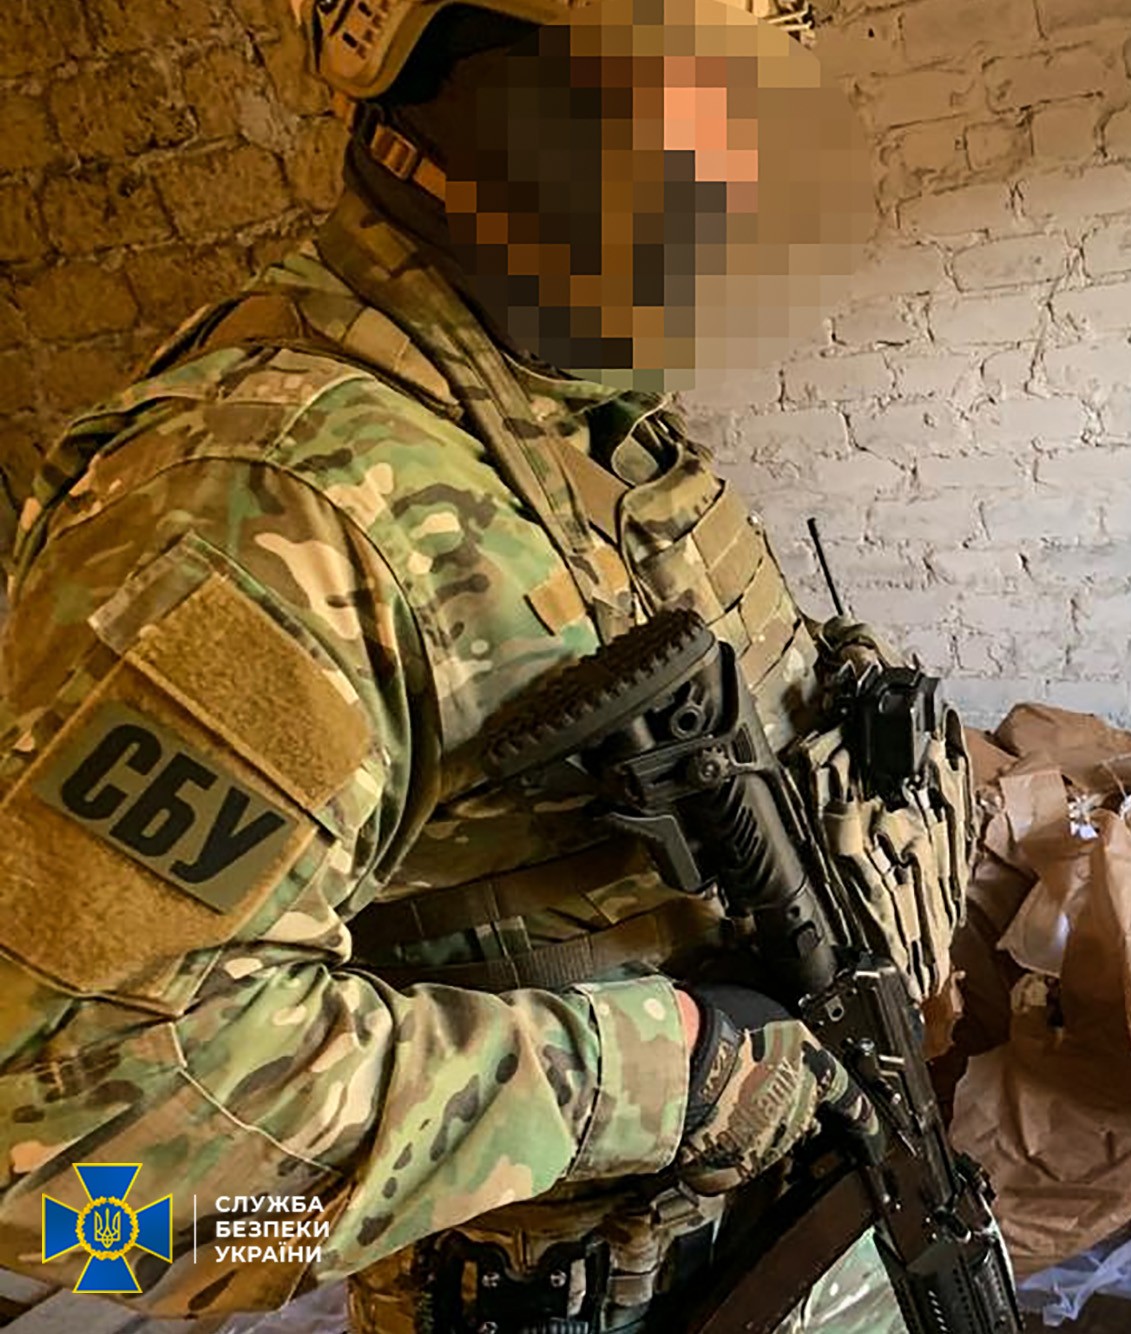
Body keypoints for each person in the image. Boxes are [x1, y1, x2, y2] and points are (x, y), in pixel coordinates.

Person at [0, 1, 974, 1330]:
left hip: (790, 1225)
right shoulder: (267, 506)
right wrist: (665, 1078)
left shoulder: (578, 413)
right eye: (687, 100)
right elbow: (67, 1176)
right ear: (465, 87)